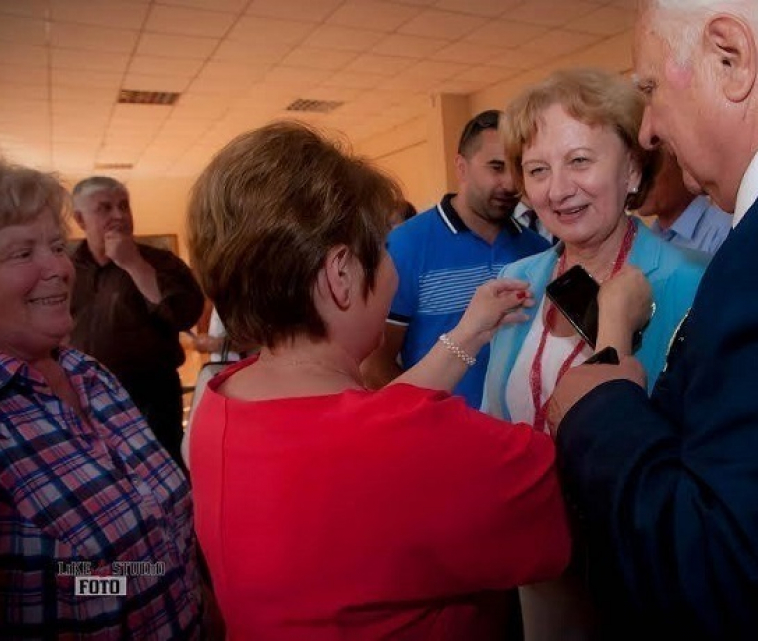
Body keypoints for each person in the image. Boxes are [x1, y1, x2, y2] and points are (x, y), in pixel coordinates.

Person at [186, 121, 571, 640]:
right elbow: (580, 496)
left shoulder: (223, 396)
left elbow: (367, 428)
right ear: (341, 274)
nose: (393, 265)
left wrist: (468, 333)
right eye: (384, 249)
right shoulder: (406, 444)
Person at [550, 0, 758, 638]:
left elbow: (733, 579)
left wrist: (599, 410)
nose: (650, 130)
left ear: (730, 57)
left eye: (651, 90)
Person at [480, 67, 707, 641]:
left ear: (631, 168)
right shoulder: (517, 279)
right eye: (538, 170)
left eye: (580, 161)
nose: (557, 189)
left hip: (638, 568)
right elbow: (494, 426)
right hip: (537, 566)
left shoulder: (694, 283)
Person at [0, 161, 201, 638]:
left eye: (54, 247)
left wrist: (190, 590)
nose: (56, 267)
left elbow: (163, 523)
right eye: (23, 252)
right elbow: (66, 583)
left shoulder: (91, 377)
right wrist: (140, 580)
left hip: (154, 391)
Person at [361, 109, 550, 408]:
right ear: (461, 167)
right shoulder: (407, 244)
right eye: (496, 167)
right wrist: (428, 418)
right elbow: (374, 365)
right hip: (438, 437)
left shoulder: (537, 249)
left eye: (517, 168)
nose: (511, 184)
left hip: (518, 436)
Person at [70, 176, 204, 465]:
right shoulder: (65, 267)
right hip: (83, 394)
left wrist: (134, 264)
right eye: (104, 208)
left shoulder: (160, 262)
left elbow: (183, 315)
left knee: (163, 470)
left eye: (123, 206)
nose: (118, 215)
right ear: (80, 219)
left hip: (150, 395)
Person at [635, 147, 731, 254]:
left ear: (683, 165)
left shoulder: (722, 233)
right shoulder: (645, 241)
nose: (638, 182)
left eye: (649, 169)